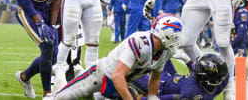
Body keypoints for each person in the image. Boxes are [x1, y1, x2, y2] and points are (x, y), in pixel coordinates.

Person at [52, 14, 184, 100]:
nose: (178, 39)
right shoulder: (140, 42)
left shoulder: (166, 51)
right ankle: (59, 74)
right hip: (101, 75)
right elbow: (117, 75)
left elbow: (155, 78)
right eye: (176, 35)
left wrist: (152, 97)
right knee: (61, 98)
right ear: (165, 33)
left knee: (129, 94)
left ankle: (101, 95)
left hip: (122, 82)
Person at [133, 54, 229, 100]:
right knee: (161, 49)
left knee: (130, 73)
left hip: (160, 86)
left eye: (198, 69)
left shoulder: (192, 93)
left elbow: (164, 98)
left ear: (206, 78)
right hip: (172, 74)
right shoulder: (222, 78)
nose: (194, 68)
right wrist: (187, 60)